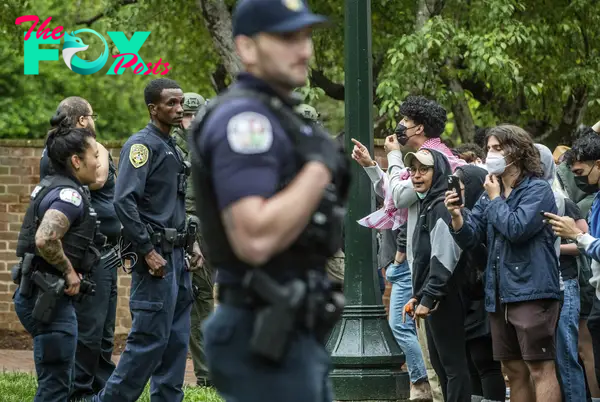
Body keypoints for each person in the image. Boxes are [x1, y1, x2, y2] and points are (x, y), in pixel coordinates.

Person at [188, 0, 349, 400]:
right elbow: (254, 236)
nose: (304, 50)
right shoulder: (247, 122)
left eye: (306, 35)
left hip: (289, 323)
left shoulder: (278, 113)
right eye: (285, 37)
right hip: (262, 328)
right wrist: (319, 168)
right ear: (246, 48)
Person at [93, 78, 200, 402]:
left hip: (178, 261)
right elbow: (124, 202)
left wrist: (191, 243)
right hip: (155, 263)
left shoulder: (171, 146)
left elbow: (174, 205)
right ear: (153, 108)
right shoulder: (142, 146)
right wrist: (147, 250)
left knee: (175, 342)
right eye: (171, 103)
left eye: (180, 102)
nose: (179, 108)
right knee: (148, 341)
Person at [445, 124, 562, 402]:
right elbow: (472, 237)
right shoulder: (491, 192)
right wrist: (457, 216)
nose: (490, 154)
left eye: (497, 148)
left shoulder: (538, 190)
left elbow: (517, 228)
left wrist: (497, 199)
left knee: (539, 368)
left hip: (532, 292)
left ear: (517, 152)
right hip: (498, 294)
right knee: (512, 370)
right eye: (488, 149)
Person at [39, 97, 121, 401]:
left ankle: (102, 388)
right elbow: (98, 180)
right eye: (93, 116)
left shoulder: (85, 148)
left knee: (104, 330)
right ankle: (80, 392)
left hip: (106, 251)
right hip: (86, 252)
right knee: (88, 327)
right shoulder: (64, 151)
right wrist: (99, 148)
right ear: (83, 120)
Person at [13, 123, 101, 401]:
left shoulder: (52, 185)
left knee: (56, 379)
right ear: (76, 161)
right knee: (56, 385)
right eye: (94, 156)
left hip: (40, 294)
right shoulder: (70, 196)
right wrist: (69, 271)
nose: (98, 161)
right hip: (48, 298)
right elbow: (45, 239)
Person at [401, 148, 471, 402]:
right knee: (441, 367)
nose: (416, 176)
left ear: (438, 170)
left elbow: (443, 258)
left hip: (446, 297)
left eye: (424, 170)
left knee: (452, 367)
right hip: (431, 298)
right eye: (413, 170)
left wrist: (428, 297)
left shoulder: (442, 205)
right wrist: (418, 296)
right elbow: (426, 258)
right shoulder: (427, 203)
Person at [548, 133, 600, 398]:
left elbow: (592, 244)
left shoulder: (569, 203)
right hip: (595, 289)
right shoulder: (597, 199)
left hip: (581, 286)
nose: (578, 177)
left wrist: (576, 237)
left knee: (580, 352)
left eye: (581, 171)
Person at [536, 143, 587, 402]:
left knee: (566, 354)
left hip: (565, 281)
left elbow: (583, 242)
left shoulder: (563, 201)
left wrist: (554, 248)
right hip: (541, 285)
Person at [453, 165, 506, 402]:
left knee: (485, 361)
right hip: (465, 296)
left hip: (484, 296)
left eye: (462, 188)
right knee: (469, 361)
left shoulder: (487, 213)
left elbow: (479, 253)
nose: (458, 193)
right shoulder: (460, 215)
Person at [172, 91, 214, 387]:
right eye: (185, 115)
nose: (189, 121)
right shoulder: (169, 145)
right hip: (182, 228)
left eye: (194, 115)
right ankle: (205, 373)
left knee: (203, 298)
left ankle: (208, 372)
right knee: (189, 300)